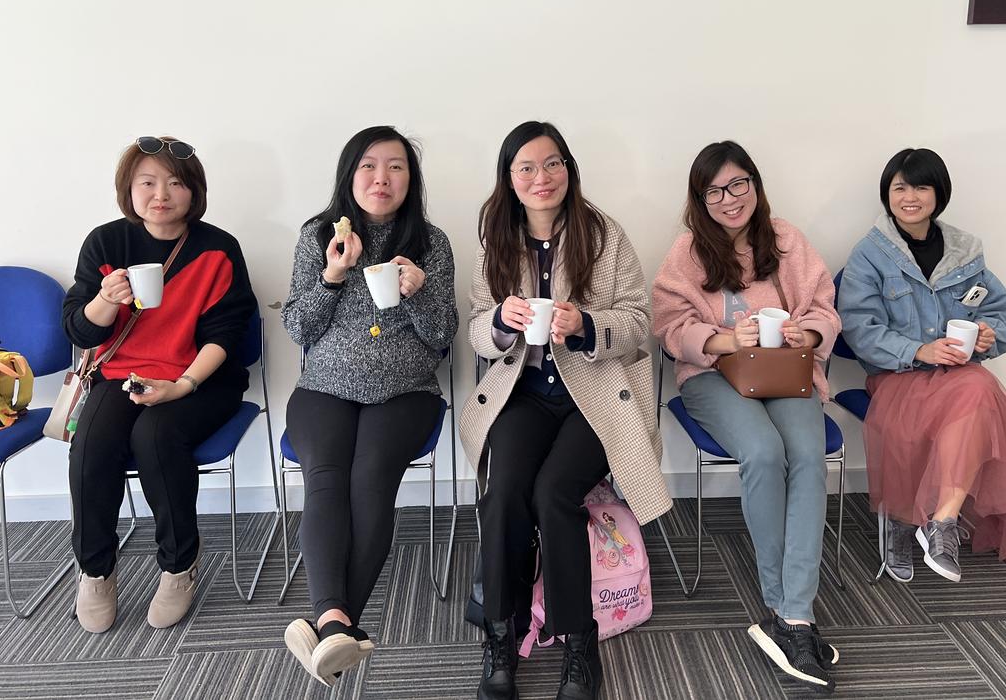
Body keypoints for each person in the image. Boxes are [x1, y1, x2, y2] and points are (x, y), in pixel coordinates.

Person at [460, 121, 670, 700]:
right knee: (504, 492)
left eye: (552, 163)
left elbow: (639, 323)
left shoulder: (604, 235)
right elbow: (476, 330)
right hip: (523, 394)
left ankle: (579, 642)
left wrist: (587, 325)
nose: (541, 177)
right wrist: (500, 322)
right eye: (526, 168)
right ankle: (501, 635)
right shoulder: (495, 240)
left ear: (569, 169)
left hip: (593, 397)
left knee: (554, 492)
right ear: (509, 179)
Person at [652, 140, 841, 694]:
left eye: (739, 184)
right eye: (714, 191)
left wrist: (806, 335)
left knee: (807, 456)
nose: (729, 199)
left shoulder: (785, 240)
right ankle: (781, 604)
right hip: (712, 377)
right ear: (699, 199)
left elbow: (825, 308)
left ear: (755, 185)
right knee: (762, 451)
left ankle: (794, 615)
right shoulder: (688, 252)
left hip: (785, 371)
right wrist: (722, 339)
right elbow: (667, 327)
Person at [280, 126, 458, 687]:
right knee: (326, 478)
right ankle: (339, 626)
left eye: (396, 167)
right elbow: (297, 327)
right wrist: (332, 276)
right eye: (369, 166)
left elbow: (442, 336)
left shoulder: (431, 243)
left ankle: (329, 623)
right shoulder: (318, 236)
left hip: (406, 393)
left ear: (411, 179)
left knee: (371, 478)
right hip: (324, 388)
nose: (382, 178)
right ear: (349, 175)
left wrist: (420, 292)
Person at [62, 136, 256, 634]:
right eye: (147, 182)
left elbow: (225, 335)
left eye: (174, 183)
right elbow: (79, 330)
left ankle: (178, 565)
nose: (161, 194)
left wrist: (182, 385)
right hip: (122, 373)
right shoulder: (106, 243)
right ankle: (95, 571)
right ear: (129, 189)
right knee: (92, 444)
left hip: (202, 377)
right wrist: (105, 300)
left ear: (194, 190)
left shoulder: (218, 248)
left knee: (156, 436)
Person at [837, 148, 1006, 587]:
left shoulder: (966, 252)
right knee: (976, 396)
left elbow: (997, 310)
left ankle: (941, 521)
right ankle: (912, 520)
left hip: (956, 375)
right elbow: (858, 330)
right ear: (887, 194)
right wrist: (920, 351)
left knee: (977, 386)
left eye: (921, 187)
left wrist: (987, 334)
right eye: (900, 188)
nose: (910, 197)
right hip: (897, 376)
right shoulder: (869, 254)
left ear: (939, 193)